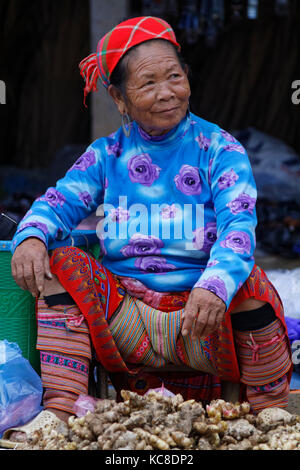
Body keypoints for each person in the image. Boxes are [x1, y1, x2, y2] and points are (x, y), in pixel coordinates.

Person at [6, 16, 292, 437]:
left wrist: (213, 286)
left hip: (202, 321)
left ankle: (269, 408)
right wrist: (30, 236)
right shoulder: (106, 155)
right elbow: (59, 202)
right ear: (119, 98)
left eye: (175, 76)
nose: (167, 93)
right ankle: (63, 407)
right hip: (127, 317)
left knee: (249, 280)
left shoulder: (220, 149)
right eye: (148, 83)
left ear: (187, 78)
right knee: (58, 262)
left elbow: (238, 228)